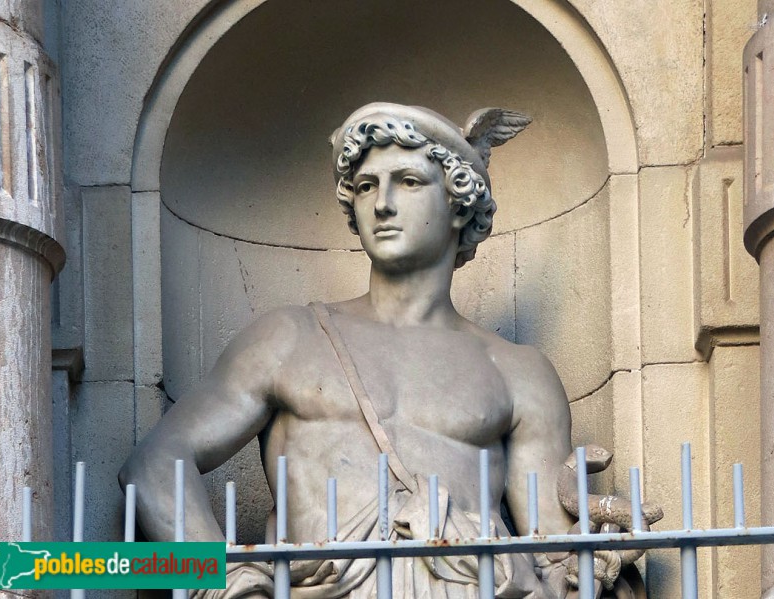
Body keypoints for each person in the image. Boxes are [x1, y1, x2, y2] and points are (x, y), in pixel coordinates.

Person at [120, 103, 604, 598]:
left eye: (409, 182)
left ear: (460, 201)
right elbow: (156, 462)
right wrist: (223, 576)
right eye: (368, 185)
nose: (383, 204)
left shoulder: (519, 372)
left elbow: (553, 557)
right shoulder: (290, 338)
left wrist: (602, 550)